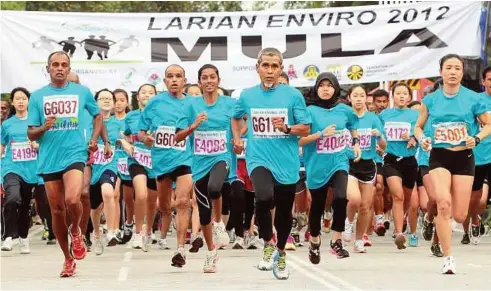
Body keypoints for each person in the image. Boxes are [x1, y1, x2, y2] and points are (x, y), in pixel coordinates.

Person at [26, 51, 111, 277]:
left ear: (69, 67)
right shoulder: (37, 97)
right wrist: (44, 127)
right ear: (48, 68)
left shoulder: (81, 92)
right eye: (55, 64)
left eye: (64, 64)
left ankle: (77, 232)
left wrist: (94, 139)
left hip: (75, 153)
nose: (60, 68)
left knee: (73, 198)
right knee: (56, 209)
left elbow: (98, 116)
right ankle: (67, 259)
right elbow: (32, 134)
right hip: (49, 158)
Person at [232, 47, 311, 280]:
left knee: (285, 212)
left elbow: (305, 127)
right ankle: (268, 243)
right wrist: (237, 139)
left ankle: (281, 252)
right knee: (264, 197)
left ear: (281, 70)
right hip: (258, 159)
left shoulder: (293, 95)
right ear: (257, 68)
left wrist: (286, 128)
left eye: (274, 66)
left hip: (286, 162)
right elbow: (236, 117)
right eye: (265, 65)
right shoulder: (247, 95)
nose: (269, 71)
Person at [414, 54, 491, 274]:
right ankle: (448, 257)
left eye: (457, 68)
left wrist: (476, 139)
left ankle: (445, 227)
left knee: (459, 215)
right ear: (441, 72)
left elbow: (488, 125)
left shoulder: (473, 99)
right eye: (449, 67)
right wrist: (423, 139)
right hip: (439, 156)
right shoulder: (430, 100)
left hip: (464, 157)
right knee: (443, 203)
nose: (453, 72)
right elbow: (418, 127)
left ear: (462, 72)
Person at [175, 64, 236, 272]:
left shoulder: (230, 103)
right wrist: (194, 125)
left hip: (222, 156)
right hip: (199, 163)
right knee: (202, 213)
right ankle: (211, 252)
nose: (209, 81)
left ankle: (219, 223)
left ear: (219, 80)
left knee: (215, 188)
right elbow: (177, 136)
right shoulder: (191, 106)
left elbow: (241, 122)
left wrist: (236, 139)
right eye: (204, 77)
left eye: (212, 77)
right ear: (199, 82)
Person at [138, 66, 197, 267]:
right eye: (170, 77)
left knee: (182, 201)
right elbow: (140, 131)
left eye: (178, 76)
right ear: (164, 81)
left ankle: (180, 249)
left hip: (184, 159)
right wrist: (145, 138)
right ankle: (153, 226)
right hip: (161, 161)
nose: (174, 80)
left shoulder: (192, 103)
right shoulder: (155, 103)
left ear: (184, 80)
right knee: (164, 206)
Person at [300, 72, 360, 263]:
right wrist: (320, 134)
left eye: (329, 85)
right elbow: (299, 140)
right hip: (317, 165)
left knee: (341, 197)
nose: (325, 89)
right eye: (321, 85)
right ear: (316, 88)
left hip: (339, 161)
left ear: (335, 88)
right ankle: (315, 241)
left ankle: (336, 241)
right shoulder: (308, 111)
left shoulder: (344, 109)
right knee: (317, 205)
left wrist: (356, 142)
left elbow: (352, 125)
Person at [345, 85, 386, 252]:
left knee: (365, 206)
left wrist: (379, 136)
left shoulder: (373, 118)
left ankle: (359, 240)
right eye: (356, 95)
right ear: (350, 98)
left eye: (362, 95)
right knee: (354, 199)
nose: (359, 99)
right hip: (349, 163)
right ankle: (348, 222)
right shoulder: (345, 117)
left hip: (369, 164)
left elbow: (384, 145)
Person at [379, 83, 419, 249]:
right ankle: (399, 232)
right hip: (391, 159)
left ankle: (400, 218)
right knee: (398, 195)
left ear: (409, 97)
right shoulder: (384, 115)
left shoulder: (415, 115)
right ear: (392, 96)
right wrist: (379, 143)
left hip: (409, 160)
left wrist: (412, 137)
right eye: (398, 93)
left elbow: (421, 132)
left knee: (407, 199)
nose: (401, 96)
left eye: (405, 94)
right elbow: (378, 134)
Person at [1, 87, 39, 253]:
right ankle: (8, 236)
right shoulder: (7, 124)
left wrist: (37, 146)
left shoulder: (36, 122)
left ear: (28, 101)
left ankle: (23, 237)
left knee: (24, 205)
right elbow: (2, 147)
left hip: (31, 170)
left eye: (24, 98)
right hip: (11, 167)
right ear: (13, 102)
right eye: (18, 98)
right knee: (12, 198)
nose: (21, 101)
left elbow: (44, 144)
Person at [89, 89, 122, 255]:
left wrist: (128, 143)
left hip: (109, 165)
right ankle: (96, 233)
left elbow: (127, 137)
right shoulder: (89, 121)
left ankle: (110, 232)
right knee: (94, 208)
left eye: (110, 98)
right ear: (95, 102)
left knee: (108, 193)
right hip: (91, 167)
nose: (106, 101)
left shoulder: (119, 123)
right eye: (102, 98)